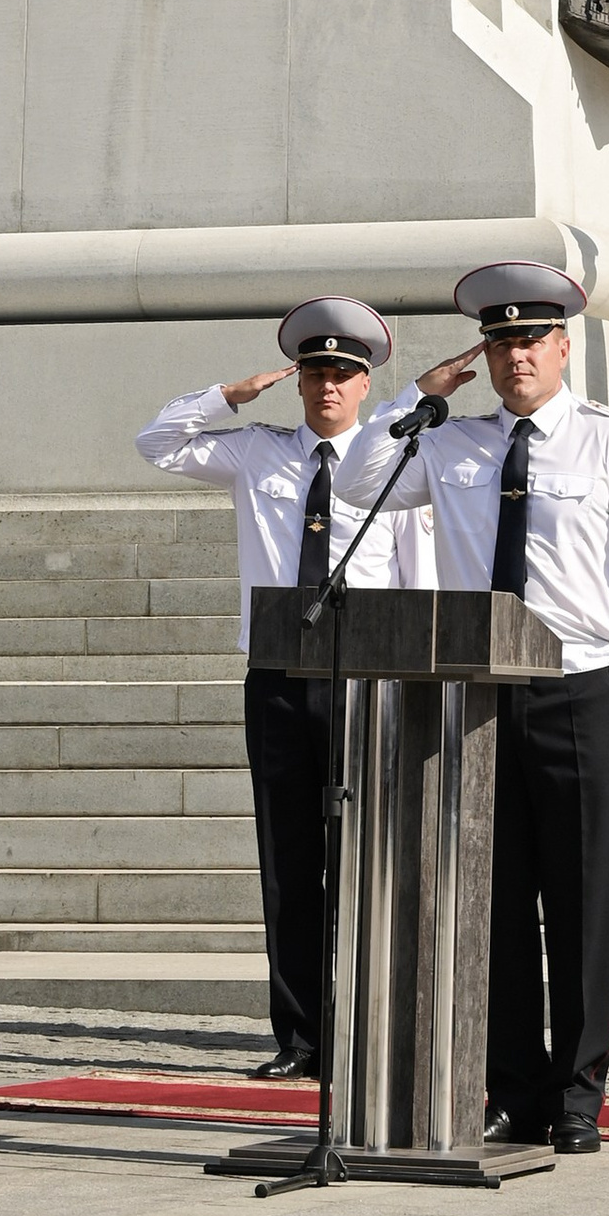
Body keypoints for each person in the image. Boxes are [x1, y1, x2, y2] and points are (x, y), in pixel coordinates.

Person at [344, 261, 609, 1154]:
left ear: (565, 347)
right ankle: (512, 1085)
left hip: (583, 692)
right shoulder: (452, 444)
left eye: (531, 339)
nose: (516, 356)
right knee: (495, 906)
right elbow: (357, 480)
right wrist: (417, 395)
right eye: (500, 343)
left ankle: (578, 1092)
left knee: (579, 904)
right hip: (480, 694)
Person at [135, 298, 420, 1085]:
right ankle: (299, 1033)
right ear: (300, 382)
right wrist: (227, 395)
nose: (330, 385)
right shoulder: (258, 451)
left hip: (369, 676)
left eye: (346, 373)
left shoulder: (396, 459)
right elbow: (156, 442)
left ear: (368, 385)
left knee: (370, 859)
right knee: (288, 860)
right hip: (278, 675)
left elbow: (414, 575)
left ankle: (371, 1024)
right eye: (318, 371)